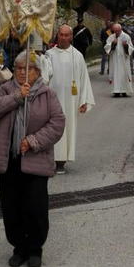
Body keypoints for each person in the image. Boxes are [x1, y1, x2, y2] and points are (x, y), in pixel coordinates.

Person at [0, 51, 65, 267]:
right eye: (19, 68)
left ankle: (35, 248)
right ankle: (18, 247)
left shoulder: (46, 94)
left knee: (35, 207)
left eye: (27, 68)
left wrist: (33, 141)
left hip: (35, 160)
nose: (22, 72)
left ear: (37, 72)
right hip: (9, 160)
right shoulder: (6, 90)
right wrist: (17, 97)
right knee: (11, 206)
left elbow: (57, 124)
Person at [46, 24, 95, 173]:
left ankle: (61, 162)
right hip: (52, 100)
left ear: (71, 37)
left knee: (67, 129)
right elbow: (43, 77)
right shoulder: (49, 54)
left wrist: (84, 100)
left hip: (70, 101)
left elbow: (84, 79)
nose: (64, 38)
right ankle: (49, 159)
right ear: (57, 35)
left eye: (67, 35)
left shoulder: (78, 55)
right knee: (50, 128)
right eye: (61, 34)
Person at [105, 23, 134, 97]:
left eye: (118, 31)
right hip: (115, 59)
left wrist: (126, 46)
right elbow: (106, 47)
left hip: (124, 60)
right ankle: (116, 91)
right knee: (116, 74)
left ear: (121, 29)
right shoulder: (111, 37)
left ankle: (124, 91)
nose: (116, 33)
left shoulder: (126, 36)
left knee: (124, 74)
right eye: (115, 31)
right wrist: (113, 44)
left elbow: (131, 48)